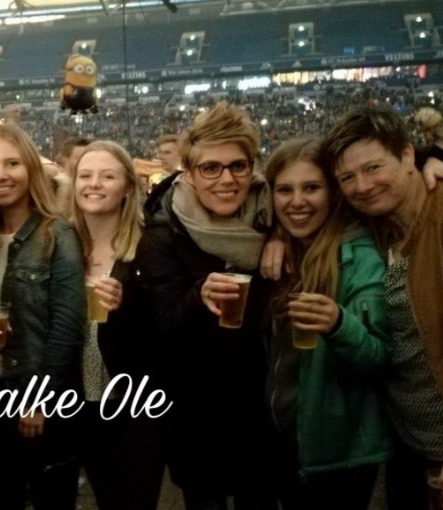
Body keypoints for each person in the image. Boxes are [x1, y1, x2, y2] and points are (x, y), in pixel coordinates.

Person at [137, 101, 276, 510]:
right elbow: (162, 327)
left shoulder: (275, 215)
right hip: (197, 414)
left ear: (253, 167)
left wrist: (430, 159)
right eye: (211, 168)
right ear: (190, 173)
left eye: (238, 166)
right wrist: (197, 297)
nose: (226, 179)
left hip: (263, 409)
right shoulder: (163, 232)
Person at [322, 106, 443, 510]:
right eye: (347, 178)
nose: (362, 186)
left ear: (407, 156)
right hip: (408, 450)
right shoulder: (376, 227)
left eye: (373, 168)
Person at [263, 136, 391, 509]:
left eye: (311, 188)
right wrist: (274, 235)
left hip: (338, 454)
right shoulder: (279, 254)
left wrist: (339, 325)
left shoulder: (359, 258)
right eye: (284, 190)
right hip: (286, 442)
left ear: (334, 193)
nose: (296, 201)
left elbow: (379, 359)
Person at [0, 123, 86, 510]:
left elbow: (67, 327)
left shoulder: (58, 234)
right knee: (0, 497)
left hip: (41, 392)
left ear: (31, 169)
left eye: (12, 163)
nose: (0, 175)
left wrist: (39, 399)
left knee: (52, 497)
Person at [71, 140, 164, 509]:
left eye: (107, 176)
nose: (94, 184)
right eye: (85, 176)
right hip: (80, 401)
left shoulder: (151, 244)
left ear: (127, 187)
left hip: (134, 405)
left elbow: (170, 326)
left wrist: (129, 306)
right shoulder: (62, 246)